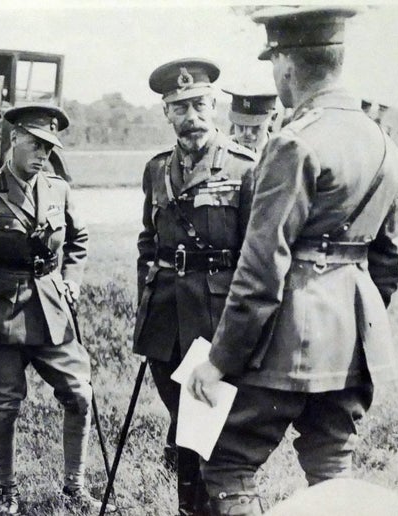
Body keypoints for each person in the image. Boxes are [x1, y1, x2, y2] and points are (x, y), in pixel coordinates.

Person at [187, 7, 398, 516]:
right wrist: (350, 324)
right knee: (332, 466)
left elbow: (262, 270)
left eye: (273, 62)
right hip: (352, 341)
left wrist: (221, 360)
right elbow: (387, 264)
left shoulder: (293, 141)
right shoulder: (384, 144)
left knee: (228, 464)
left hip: (285, 342)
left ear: (286, 63)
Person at [0, 105, 109, 514]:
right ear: (15, 140)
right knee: (7, 404)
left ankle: (73, 486)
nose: (43, 154)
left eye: (50, 147)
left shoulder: (58, 188)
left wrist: (71, 280)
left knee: (80, 394)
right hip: (3, 315)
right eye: (36, 144)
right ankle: (8, 490)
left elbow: (79, 238)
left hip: (52, 309)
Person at [133, 58, 257, 515]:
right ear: (167, 113)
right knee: (181, 420)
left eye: (200, 104)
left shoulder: (245, 169)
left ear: (216, 107)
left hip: (216, 315)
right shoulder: (156, 169)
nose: (192, 116)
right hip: (165, 317)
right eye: (180, 107)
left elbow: (255, 255)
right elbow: (148, 241)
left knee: (209, 428)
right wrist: (145, 300)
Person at [222, 88, 277, 153]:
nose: (247, 133)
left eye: (255, 126)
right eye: (240, 125)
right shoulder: (222, 149)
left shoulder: (280, 153)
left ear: (273, 119)